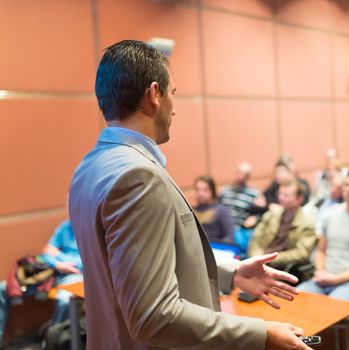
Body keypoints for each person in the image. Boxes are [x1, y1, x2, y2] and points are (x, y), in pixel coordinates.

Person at [69, 40, 310, 350]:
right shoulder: (138, 177)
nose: (174, 106)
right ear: (154, 95)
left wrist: (230, 273)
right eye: (172, 94)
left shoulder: (90, 167)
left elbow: (130, 268)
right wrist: (261, 333)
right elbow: (154, 316)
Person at [298, 169, 349, 301]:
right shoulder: (330, 213)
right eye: (346, 185)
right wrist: (321, 272)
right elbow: (321, 251)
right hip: (324, 278)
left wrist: (336, 279)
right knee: (296, 298)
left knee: (331, 310)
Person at [0, 219, 83, 349]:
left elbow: (86, 262)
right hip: (51, 272)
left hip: (74, 275)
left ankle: (53, 343)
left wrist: (58, 256)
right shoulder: (66, 226)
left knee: (65, 300)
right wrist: (58, 264)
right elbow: (46, 253)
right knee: (3, 288)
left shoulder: (91, 226)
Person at [248, 179, 316, 269]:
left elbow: (301, 254)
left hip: (282, 268)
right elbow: (256, 238)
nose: (280, 197)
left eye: (286, 195)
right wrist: (256, 256)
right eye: (279, 194)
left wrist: (269, 259)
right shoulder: (271, 214)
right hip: (260, 262)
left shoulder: (307, 223)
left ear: (300, 199)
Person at [194, 175, 235, 243]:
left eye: (205, 190)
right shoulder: (192, 211)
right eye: (197, 190)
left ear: (212, 191)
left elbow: (229, 237)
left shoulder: (222, 210)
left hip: (216, 250)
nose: (200, 193)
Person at [219, 162, 261, 228]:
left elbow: (260, 212)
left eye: (245, 174)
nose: (241, 176)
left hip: (240, 229)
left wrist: (255, 218)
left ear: (248, 177)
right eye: (239, 173)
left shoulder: (254, 193)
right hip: (222, 227)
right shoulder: (224, 191)